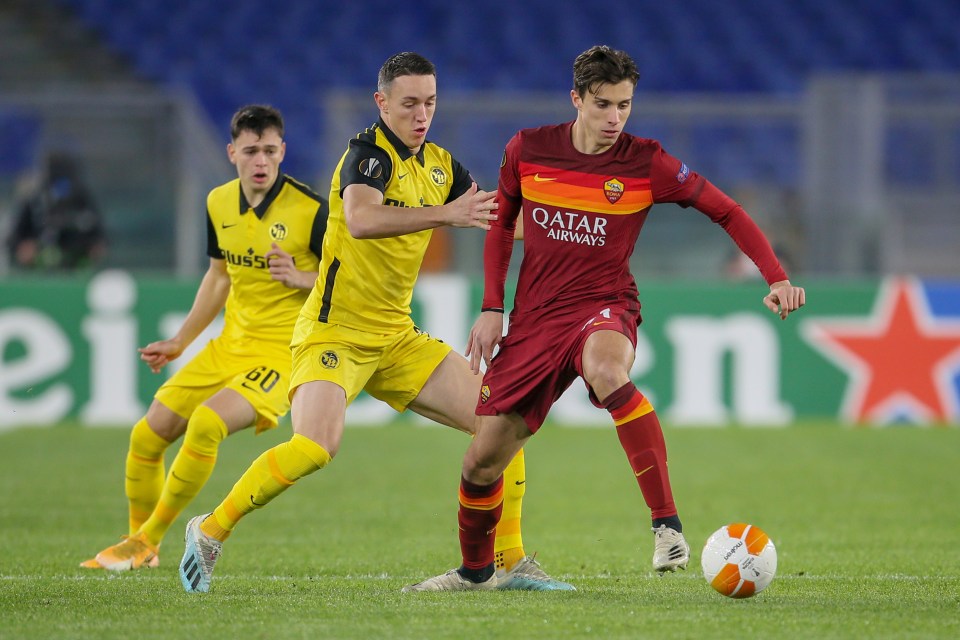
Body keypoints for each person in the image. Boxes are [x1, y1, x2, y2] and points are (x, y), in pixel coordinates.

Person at [405, 45, 806, 592]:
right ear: (576, 99)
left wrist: (776, 276)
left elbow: (726, 209)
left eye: (624, 105)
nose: (615, 118)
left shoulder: (647, 162)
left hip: (604, 302)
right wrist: (492, 307)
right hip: (536, 321)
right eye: (602, 104)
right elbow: (501, 227)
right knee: (481, 462)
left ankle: (666, 525)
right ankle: (475, 573)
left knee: (608, 370)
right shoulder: (528, 150)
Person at [178, 52, 570, 594]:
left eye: (429, 103)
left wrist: (576, 226)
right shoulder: (366, 154)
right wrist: (445, 214)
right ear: (381, 102)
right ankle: (209, 530)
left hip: (395, 337)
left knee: (502, 421)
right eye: (408, 103)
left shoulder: (440, 165)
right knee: (316, 446)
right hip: (332, 330)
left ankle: (509, 562)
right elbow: (361, 219)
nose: (420, 114)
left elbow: (498, 219)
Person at [81, 105, 328, 570]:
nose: (261, 161)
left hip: (283, 353)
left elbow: (348, 281)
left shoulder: (311, 210)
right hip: (228, 345)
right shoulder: (218, 202)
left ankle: (147, 540)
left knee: (207, 424)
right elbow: (218, 278)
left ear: (283, 152)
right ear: (232, 152)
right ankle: (140, 543)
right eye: (251, 151)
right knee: (147, 435)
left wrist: (301, 278)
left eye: (270, 151)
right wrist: (180, 341)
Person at [5, 151, 105, 270]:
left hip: (76, 268)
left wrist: (95, 246)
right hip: (38, 271)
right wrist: (22, 247)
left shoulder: (82, 201)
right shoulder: (34, 202)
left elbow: (100, 236)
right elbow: (12, 239)